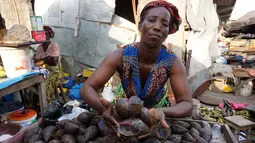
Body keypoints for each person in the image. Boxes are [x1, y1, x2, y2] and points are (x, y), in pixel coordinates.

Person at [81, 0, 192, 129]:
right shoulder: (121, 56)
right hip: (123, 112)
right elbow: (87, 87)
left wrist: (162, 112)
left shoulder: (173, 62)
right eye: (151, 20)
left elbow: (187, 104)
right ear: (140, 25)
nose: (157, 27)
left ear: (168, 31)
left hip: (158, 116)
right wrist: (103, 109)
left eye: (164, 24)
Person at [34, 26, 64, 103]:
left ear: (49, 36)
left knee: (46, 83)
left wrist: (42, 61)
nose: (42, 37)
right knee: (34, 82)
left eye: (44, 35)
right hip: (44, 70)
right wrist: (47, 59)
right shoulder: (39, 47)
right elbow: (37, 62)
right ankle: (36, 103)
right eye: (40, 36)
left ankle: (46, 104)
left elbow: (54, 62)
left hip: (56, 71)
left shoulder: (54, 46)